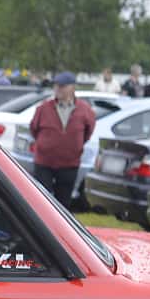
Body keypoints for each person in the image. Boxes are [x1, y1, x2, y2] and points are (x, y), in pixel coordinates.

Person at [27, 72, 96, 206]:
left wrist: (75, 145)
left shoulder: (85, 110)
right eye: (56, 86)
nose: (58, 89)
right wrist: (45, 144)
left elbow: (88, 132)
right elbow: (34, 129)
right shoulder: (43, 108)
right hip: (44, 163)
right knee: (41, 201)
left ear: (72, 88)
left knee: (63, 204)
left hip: (69, 164)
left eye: (62, 86)